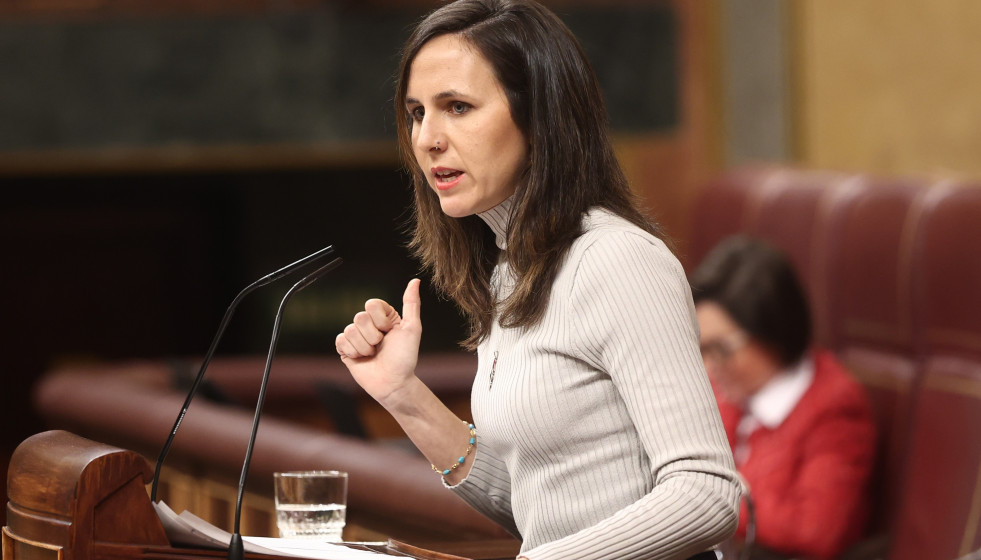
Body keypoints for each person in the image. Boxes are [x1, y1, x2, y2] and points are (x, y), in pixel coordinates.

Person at [333, 1, 741, 558]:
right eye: (416, 113)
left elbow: (707, 495)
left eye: (457, 106)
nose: (428, 138)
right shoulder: (509, 270)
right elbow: (539, 504)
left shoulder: (617, 261)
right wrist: (402, 394)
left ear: (540, 117)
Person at [689, 235, 877, 560]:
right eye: (701, 348)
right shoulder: (728, 391)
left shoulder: (834, 406)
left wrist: (704, 494)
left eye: (721, 349)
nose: (709, 367)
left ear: (772, 329)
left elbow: (815, 531)